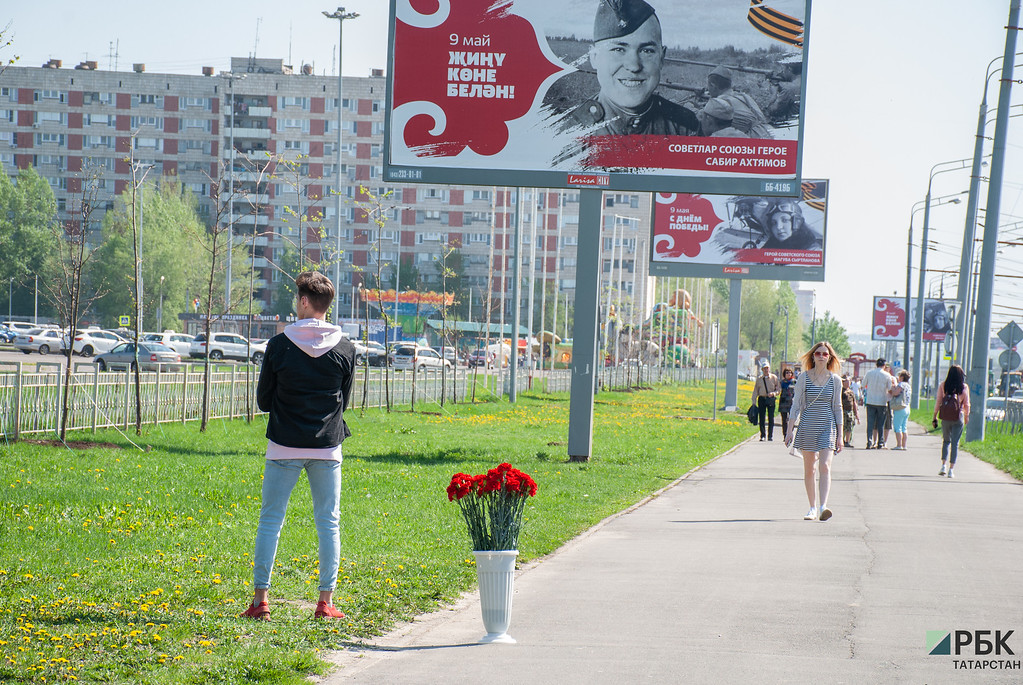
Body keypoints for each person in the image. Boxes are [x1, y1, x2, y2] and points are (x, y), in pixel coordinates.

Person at [242, 271, 357, 621]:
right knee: (328, 523)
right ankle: (325, 602)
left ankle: (261, 600)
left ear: (305, 302)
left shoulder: (278, 346)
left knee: (270, 521)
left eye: (297, 298)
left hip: (283, 446)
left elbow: (263, 401)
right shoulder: (346, 347)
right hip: (327, 447)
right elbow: (344, 402)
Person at [562, 0, 700, 136]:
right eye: (618, 49)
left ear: (661, 58)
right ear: (594, 57)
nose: (634, 66)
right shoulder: (568, 135)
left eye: (647, 51)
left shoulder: (685, 127)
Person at [785, 341, 843, 521]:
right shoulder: (804, 377)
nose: (821, 356)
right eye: (818, 353)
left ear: (830, 358)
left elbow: (838, 407)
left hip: (828, 427)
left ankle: (824, 506)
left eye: (825, 354)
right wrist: (789, 430)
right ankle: (812, 508)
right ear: (813, 356)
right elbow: (796, 405)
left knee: (825, 465)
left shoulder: (835, 380)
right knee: (810, 469)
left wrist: (840, 436)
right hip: (808, 426)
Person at [705, 64, 772, 138]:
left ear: (713, 86)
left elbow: (705, 121)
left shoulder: (721, 103)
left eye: (708, 86)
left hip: (754, 138)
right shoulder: (743, 96)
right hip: (769, 132)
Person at [932, 365, 971, 478]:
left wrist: (935, 416)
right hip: (958, 417)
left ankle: (943, 465)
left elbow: (939, 401)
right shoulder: (963, 387)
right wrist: (966, 416)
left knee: (946, 441)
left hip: (945, 417)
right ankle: (951, 469)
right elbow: (966, 404)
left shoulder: (943, 385)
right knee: (955, 443)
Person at [861, 357, 894, 449]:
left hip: (870, 401)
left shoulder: (869, 373)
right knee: (881, 423)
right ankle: (880, 442)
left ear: (876, 364)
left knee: (870, 423)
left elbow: (863, 385)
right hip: (882, 401)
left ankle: (869, 441)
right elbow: (890, 388)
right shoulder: (887, 375)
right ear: (884, 365)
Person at [752, 361, 780, 441]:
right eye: (764, 368)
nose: (766, 370)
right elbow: (755, 391)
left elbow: (778, 389)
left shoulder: (774, 378)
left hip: (770, 399)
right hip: (762, 399)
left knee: (771, 417)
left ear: (769, 369)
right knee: (762, 418)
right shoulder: (759, 379)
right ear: (762, 369)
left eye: (767, 368)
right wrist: (753, 401)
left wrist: (773, 393)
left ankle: (770, 435)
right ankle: (762, 435)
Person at [888, 369, 911, 450]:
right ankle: (904, 445)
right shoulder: (908, 385)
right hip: (907, 407)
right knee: (904, 427)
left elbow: (895, 393)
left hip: (900, 407)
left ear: (902, 377)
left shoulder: (901, 384)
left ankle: (899, 445)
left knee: (898, 427)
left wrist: (892, 389)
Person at [840, 375, 860, 448]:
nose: (848, 382)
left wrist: (856, 413)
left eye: (849, 381)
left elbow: (854, 403)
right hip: (843, 411)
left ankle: (847, 441)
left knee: (849, 427)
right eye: (846, 381)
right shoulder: (840, 391)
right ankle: (841, 440)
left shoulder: (851, 392)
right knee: (842, 427)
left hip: (850, 411)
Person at [778, 367, 796, 437]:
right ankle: (785, 434)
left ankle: (790, 432)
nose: (788, 374)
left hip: (792, 402)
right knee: (784, 420)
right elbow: (778, 390)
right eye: (787, 372)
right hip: (783, 402)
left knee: (792, 418)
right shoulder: (782, 382)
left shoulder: (794, 382)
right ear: (784, 374)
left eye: (790, 372)